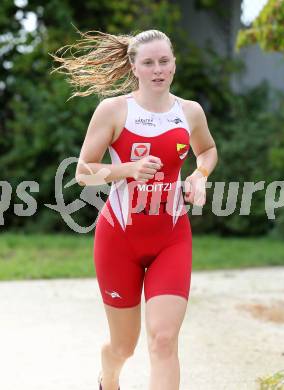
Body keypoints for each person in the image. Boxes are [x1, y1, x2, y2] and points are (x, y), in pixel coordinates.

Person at [51, 28, 218, 390]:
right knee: (124, 346)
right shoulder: (113, 110)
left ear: (174, 64)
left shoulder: (190, 112)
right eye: (148, 62)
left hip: (171, 238)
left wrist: (199, 176)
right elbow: (82, 173)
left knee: (163, 339)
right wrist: (126, 170)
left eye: (164, 61)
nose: (158, 69)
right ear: (134, 66)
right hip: (119, 241)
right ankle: (107, 378)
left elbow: (207, 151)